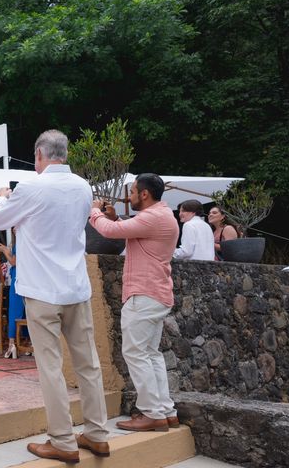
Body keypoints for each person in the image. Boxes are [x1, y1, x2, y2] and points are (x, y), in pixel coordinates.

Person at [0, 129, 110, 463]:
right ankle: (98, 435)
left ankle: (63, 441)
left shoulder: (30, 187)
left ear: (40, 154)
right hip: (76, 287)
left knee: (51, 367)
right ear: (64, 153)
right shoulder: (84, 187)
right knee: (88, 364)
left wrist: (1, 195)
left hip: (42, 290)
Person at [90, 173, 180, 432]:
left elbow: (110, 232)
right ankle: (165, 411)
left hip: (144, 295)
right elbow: (130, 229)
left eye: (132, 192)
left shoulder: (153, 217)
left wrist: (95, 213)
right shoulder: (162, 216)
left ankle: (152, 413)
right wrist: (116, 217)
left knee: (136, 354)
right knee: (151, 354)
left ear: (144, 194)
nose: (128, 198)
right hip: (155, 294)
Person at [0, 232, 25, 359]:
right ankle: (28, 342)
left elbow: (14, 261)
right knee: (25, 312)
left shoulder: (22, 242)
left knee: (15, 311)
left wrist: (4, 250)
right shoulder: (25, 241)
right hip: (25, 278)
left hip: (19, 280)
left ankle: (12, 343)